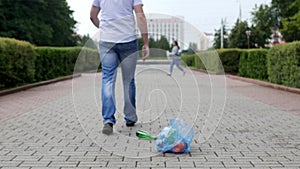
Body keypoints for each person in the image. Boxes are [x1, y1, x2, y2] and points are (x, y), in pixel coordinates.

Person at [90, 0, 149, 135]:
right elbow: (140, 16)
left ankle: (108, 121)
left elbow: (92, 16)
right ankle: (130, 117)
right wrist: (145, 42)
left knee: (108, 79)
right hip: (128, 40)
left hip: (107, 41)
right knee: (128, 80)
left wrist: (104, 29)